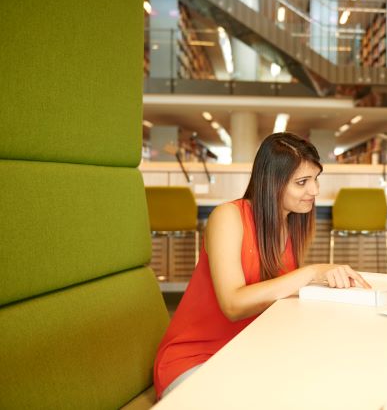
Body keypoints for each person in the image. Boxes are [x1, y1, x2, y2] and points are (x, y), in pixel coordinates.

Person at [154, 132, 370, 399]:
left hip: (246, 354)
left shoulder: (288, 223)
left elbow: (277, 295)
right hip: (197, 359)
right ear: (272, 184)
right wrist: (311, 272)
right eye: (302, 182)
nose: (314, 191)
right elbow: (233, 305)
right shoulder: (228, 216)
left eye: (315, 179)